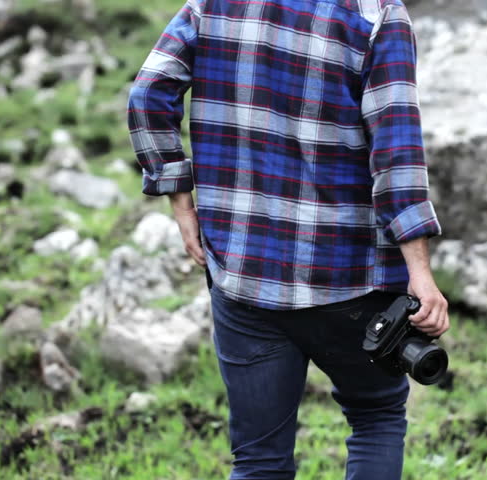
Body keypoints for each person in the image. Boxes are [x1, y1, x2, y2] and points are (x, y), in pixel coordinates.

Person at [127, 0, 449, 478]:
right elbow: (396, 153)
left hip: (244, 271)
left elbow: (148, 93)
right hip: (351, 280)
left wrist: (180, 201)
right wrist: (420, 272)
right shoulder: (376, 14)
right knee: (376, 418)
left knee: (259, 459)